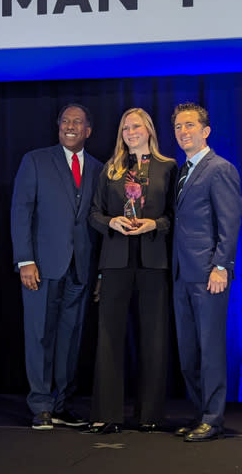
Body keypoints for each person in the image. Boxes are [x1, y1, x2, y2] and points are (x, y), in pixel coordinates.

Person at [11, 103, 103, 430]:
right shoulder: (35, 160)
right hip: (42, 267)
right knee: (40, 336)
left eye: (77, 122)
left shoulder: (97, 168)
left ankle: (62, 405)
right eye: (65, 120)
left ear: (88, 130)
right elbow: (21, 212)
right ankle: (41, 406)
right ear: (58, 126)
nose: (70, 125)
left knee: (70, 340)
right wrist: (25, 260)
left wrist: (100, 272)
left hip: (80, 269)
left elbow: (97, 223)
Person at [86, 107, 177, 434]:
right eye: (126, 128)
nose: (131, 132)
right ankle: (107, 414)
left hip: (153, 260)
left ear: (149, 130)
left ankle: (149, 414)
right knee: (109, 337)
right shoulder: (111, 169)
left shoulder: (168, 167)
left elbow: (173, 216)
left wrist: (155, 223)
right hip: (114, 261)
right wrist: (111, 220)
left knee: (153, 336)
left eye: (136, 127)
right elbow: (93, 214)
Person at [172, 102, 242, 442]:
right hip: (181, 275)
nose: (183, 132)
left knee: (210, 349)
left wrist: (220, 266)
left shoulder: (220, 169)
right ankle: (200, 414)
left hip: (208, 275)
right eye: (178, 127)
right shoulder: (182, 171)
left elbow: (229, 225)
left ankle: (213, 419)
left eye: (189, 125)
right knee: (189, 352)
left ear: (205, 131)